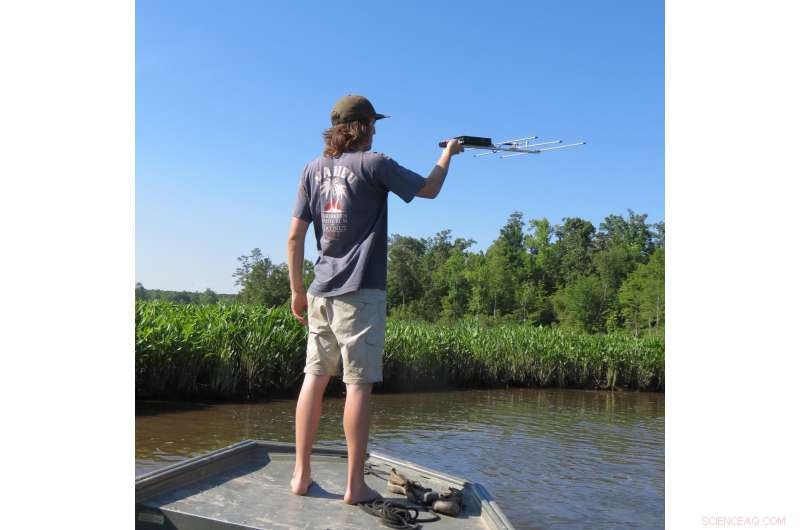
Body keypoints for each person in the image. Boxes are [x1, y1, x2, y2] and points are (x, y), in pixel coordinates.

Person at [286, 94, 463, 504]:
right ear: (362, 126)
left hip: (319, 292)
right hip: (360, 292)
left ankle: (300, 476)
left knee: (314, 378)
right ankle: (355, 486)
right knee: (358, 386)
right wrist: (448, 154)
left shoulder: (311, 169)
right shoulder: (374, 164)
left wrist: (296, 290)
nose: (376, 131)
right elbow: (430, 189)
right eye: (373, 124)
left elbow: (294, 236)